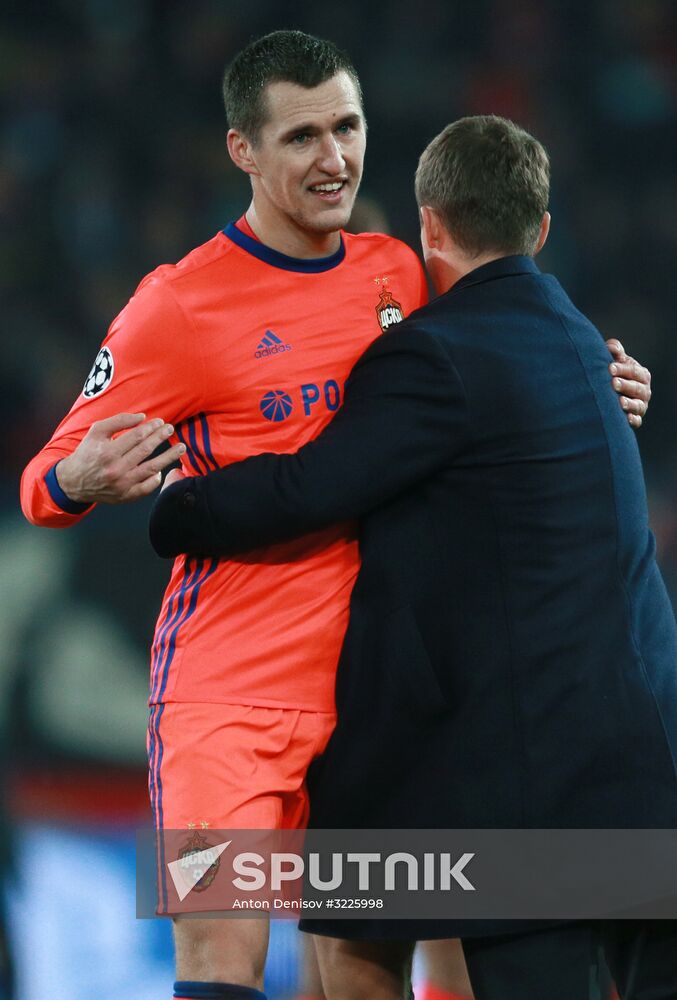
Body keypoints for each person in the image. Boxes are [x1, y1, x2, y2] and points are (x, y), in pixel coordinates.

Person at [20, 29, 648, 999]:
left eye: (346, 128)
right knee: (220, 967)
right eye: (301, 137)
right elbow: (41, 483)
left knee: (365, 973)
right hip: (230, 694)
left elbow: (498, 349)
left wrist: (589, 382)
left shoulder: (397, 272)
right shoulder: (176, 306)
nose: (334, 158)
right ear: (243, 151)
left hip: (375, 695)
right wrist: (80, 477)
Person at [149, 115, 677, 1000]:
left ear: (427, 229)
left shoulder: (431, 354)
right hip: (651, 775)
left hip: (533, 793)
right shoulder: (584, 341)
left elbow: (312, 485)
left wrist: (179, 505)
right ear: (540, 229)